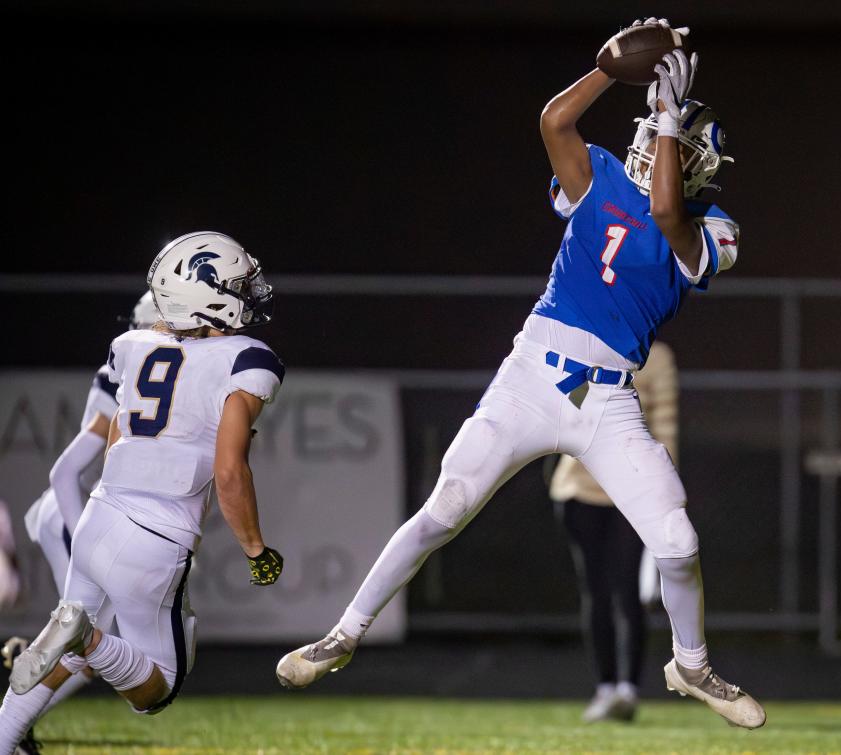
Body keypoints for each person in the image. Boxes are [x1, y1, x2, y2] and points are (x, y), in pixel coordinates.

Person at [277, 18, 765, 729]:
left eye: (671, 146)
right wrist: (606, 68)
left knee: (677, 542)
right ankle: (344, 632)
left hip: (606, 398)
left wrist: (665, 120)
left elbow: (663, 208)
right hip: (531, 374)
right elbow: (553, 119)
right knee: (443, 507)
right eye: (658, 134)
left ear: (694, 164)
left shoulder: (711, 226)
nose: (653, 146)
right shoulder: (597, 173)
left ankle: (691, 666)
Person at [0, 232, 286, 754]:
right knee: (156, 689)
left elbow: (117, 439)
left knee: (67, 650)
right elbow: (229, 471)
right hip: (156, 535)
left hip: (100, 514)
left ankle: (5, 736)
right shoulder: (247, 358)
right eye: (239, 283)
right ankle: (84, 637)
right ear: (208, 294)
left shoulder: (132, 346)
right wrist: (255, 550)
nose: (251, 291)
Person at [0, 292, 160, 755]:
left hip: (84, 513)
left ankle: (16, 706)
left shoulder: (144, 366)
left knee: (90, 648)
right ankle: (12, 720)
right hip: (80, 513)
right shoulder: (138, 367)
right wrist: (92, 546)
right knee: (87, 648)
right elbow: (66, 471)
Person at [550, 340, 678, 722]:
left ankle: (628, 691)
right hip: (578, 489)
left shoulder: (659, 358)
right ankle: (605, 688)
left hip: (631, 491)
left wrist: (663, 487)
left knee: (628, 589)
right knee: (596, 590)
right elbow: (566, 410)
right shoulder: (587, 346)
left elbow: (666, 425)